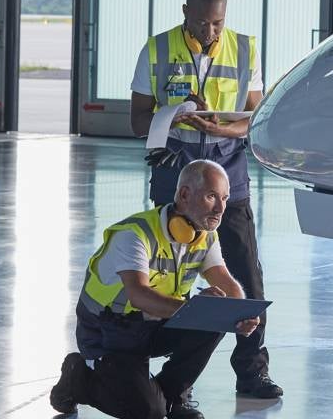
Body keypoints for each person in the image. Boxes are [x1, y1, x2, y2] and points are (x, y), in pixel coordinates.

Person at [128, 0, 282, 399]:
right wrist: (172, 116)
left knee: (246, 276)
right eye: (201, 22)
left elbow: (255, 119)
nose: (210, 31)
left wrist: (222, 129)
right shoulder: (157, 50)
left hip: (227, 172)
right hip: (175, 173)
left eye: (217, 23)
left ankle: (252, 372)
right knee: (169, 280)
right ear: (185, 12)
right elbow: (137, 121)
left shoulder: (244, 49)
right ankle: (177, 384)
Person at [48, 160, 260, 419]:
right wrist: (196, 309)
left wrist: (238, 313)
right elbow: (138, 294)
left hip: (152, 326)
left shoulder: (204, 235)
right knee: (148, 412)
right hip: (108, 332)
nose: (220, 208)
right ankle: (78, 379)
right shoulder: (135, 234)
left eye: (225, 198)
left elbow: (226, 282)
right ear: (184, 194)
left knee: (214, 319)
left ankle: (173, 397)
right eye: (211, 196)